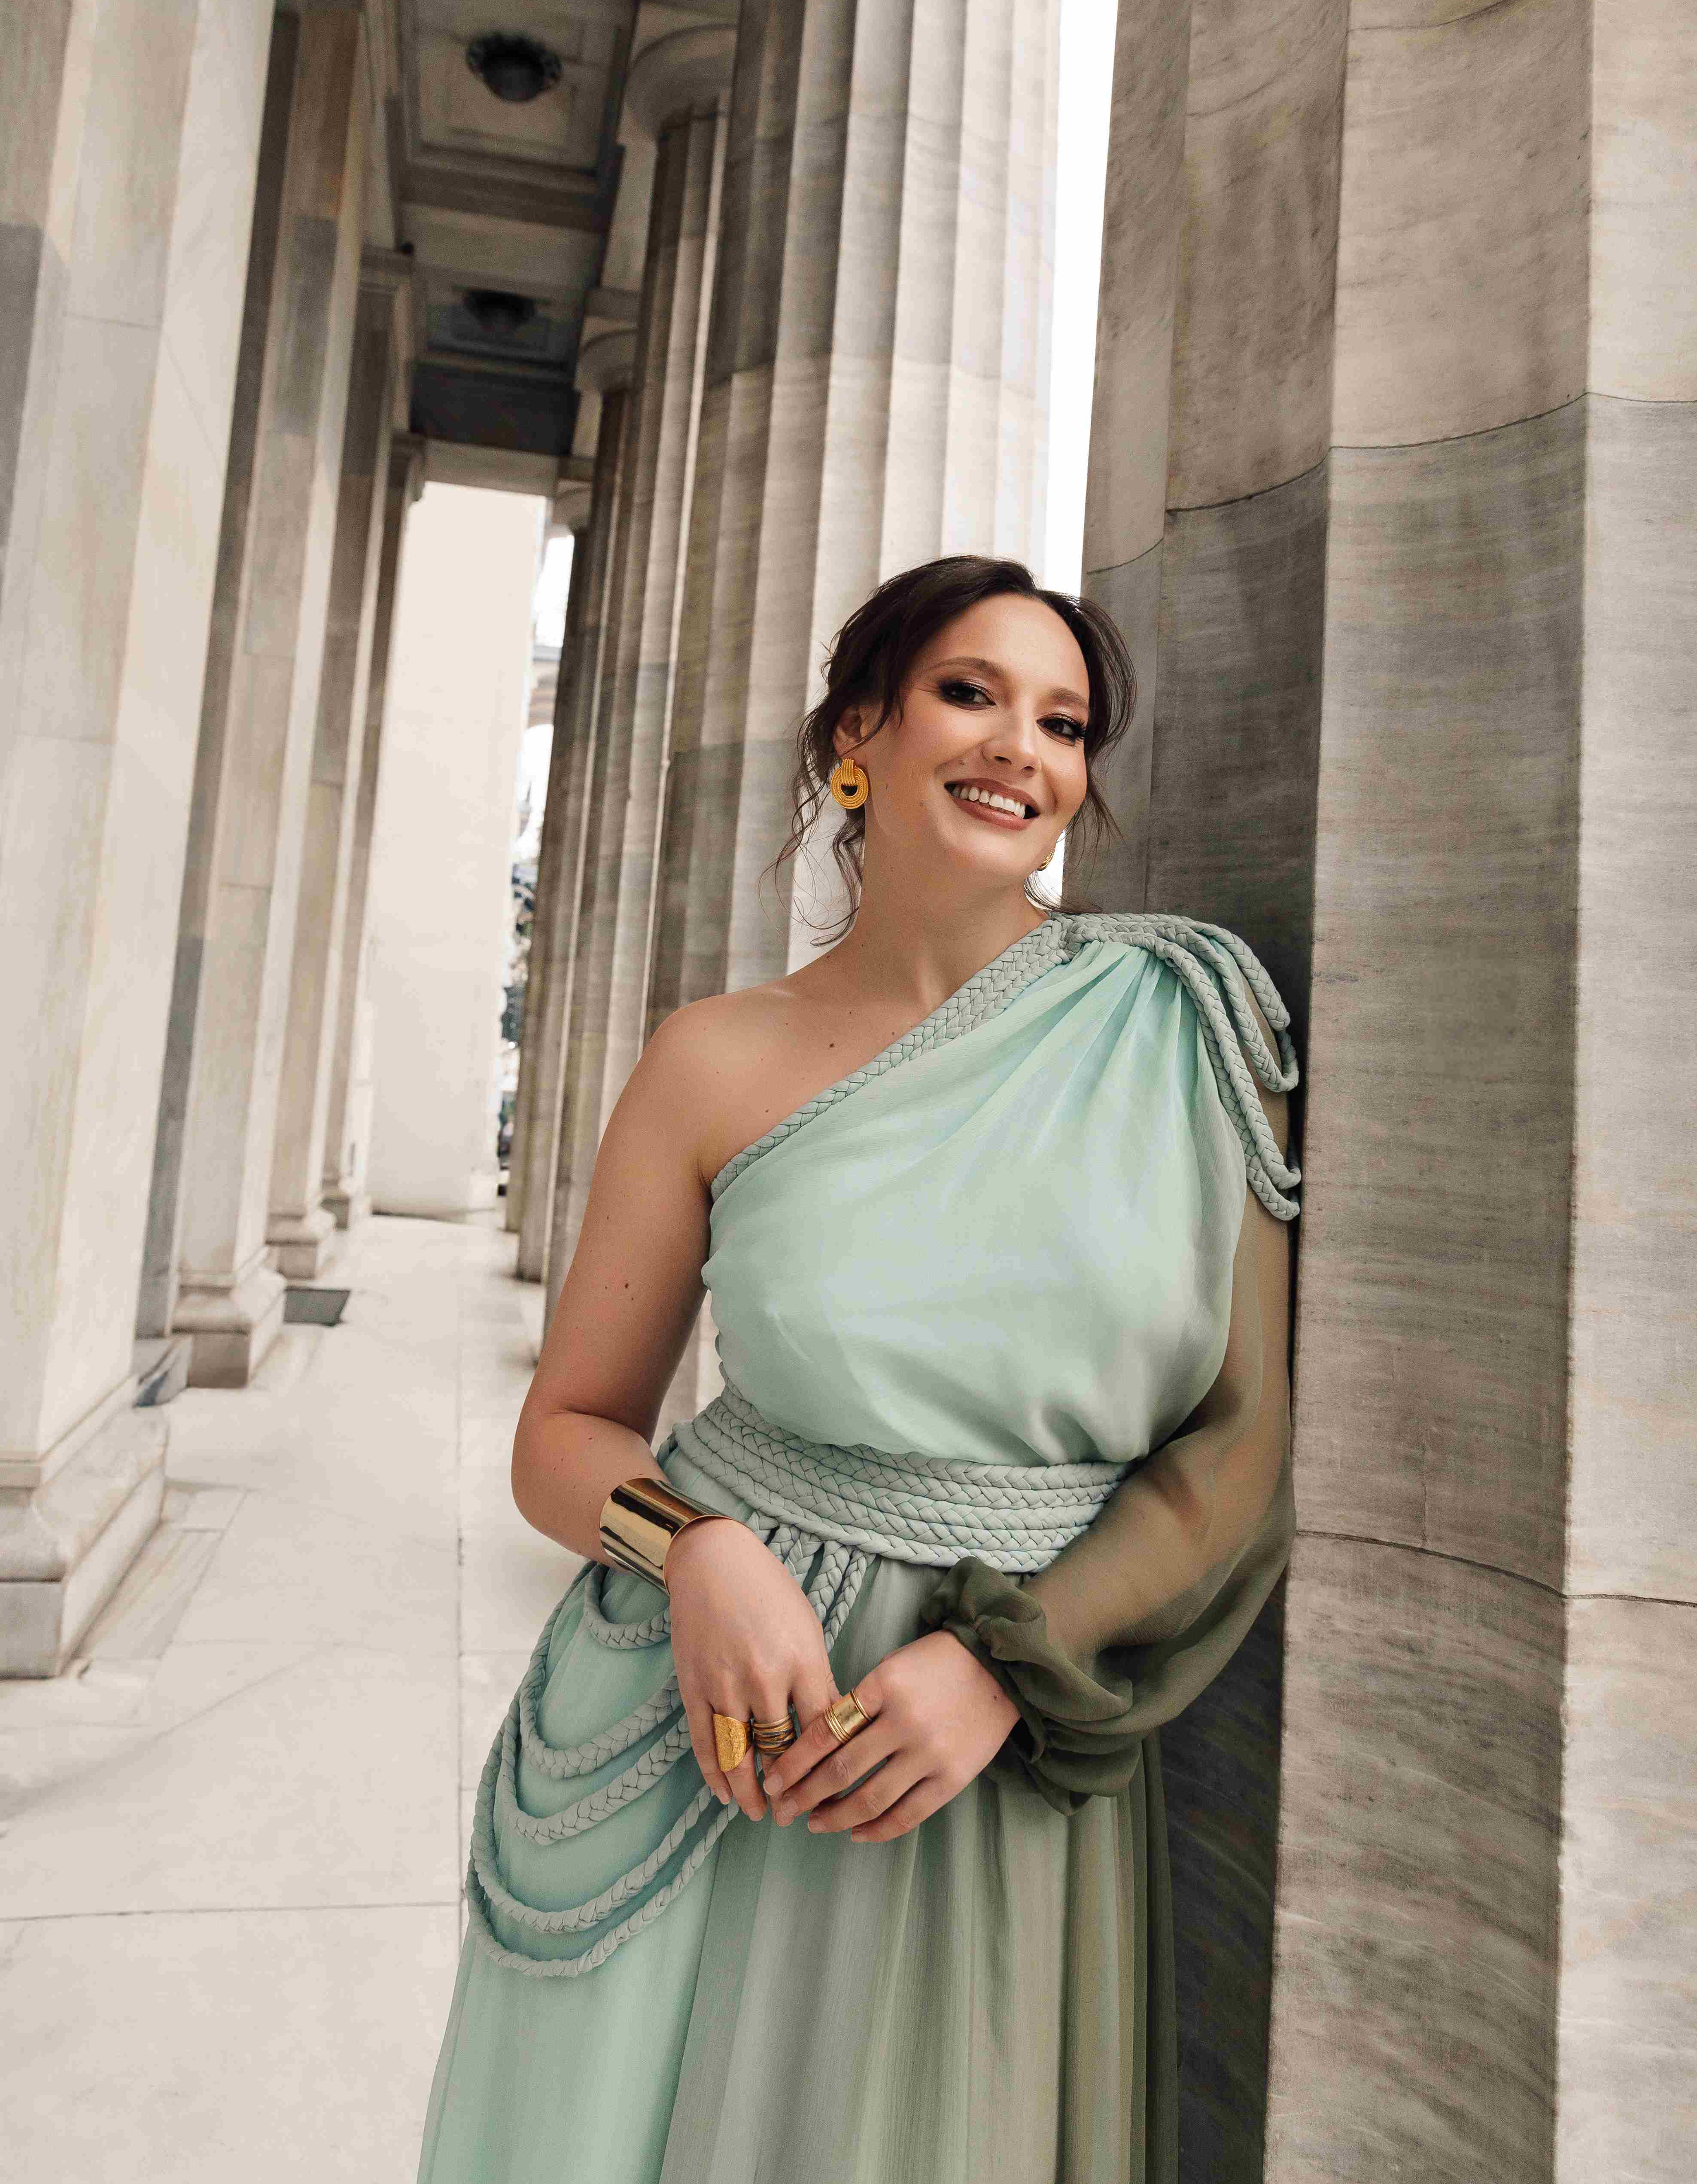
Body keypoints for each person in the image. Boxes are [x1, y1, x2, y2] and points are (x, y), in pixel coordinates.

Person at [417, 554, 1300, 2183]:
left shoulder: (1183, 1021)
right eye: (972, 694)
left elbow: (1240, 1447)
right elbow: (567, 1431)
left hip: (997, 1730)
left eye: (1066, 722)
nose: (1020, 749)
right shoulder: (711, 1059)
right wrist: (695, 1552)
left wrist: (998, 1665)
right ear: (859, 737)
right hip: (707, 1727)